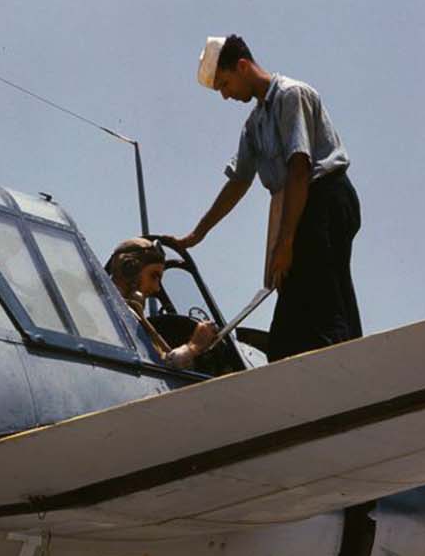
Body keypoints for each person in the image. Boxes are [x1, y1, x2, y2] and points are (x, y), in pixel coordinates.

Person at [162, 35, 361, 362]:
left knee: (322, 294)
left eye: (225, 84)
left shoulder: (291, 96)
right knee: (299, 303)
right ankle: (294, 361)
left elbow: (300, 168)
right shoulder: (254, 124)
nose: (226, 95)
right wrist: (198, 234)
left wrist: (285, 242)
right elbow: (238, 182)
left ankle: (341, 363)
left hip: (324, 198)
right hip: (299, 207)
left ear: (242, 66)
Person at [104, 237, 216, 370]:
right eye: (154, 276)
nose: (157, 288)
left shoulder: (130, 314)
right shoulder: (107, 313)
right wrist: (193, 347)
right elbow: (153, 367)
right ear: (130, 269)